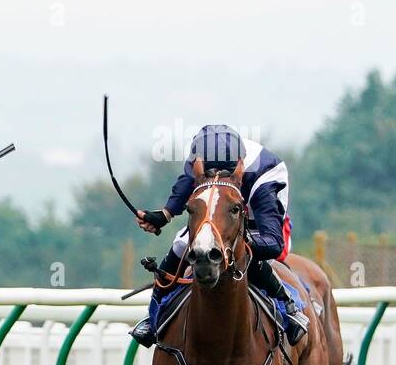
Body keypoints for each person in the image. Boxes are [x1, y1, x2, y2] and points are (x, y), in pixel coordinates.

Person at [130, 124, 308, 347]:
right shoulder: (199, 157)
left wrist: (235, 244)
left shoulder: (264, 174)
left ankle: (287, 304)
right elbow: (187, 183)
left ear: (240, 166)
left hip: (252, 209)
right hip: (216, 209)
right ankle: (153, 316)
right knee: (180, 244)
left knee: (245, 253)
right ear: (199, 164)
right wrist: (164, 214)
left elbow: (273, 243)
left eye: (222, 174)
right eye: (207, 175)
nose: (214, 179)